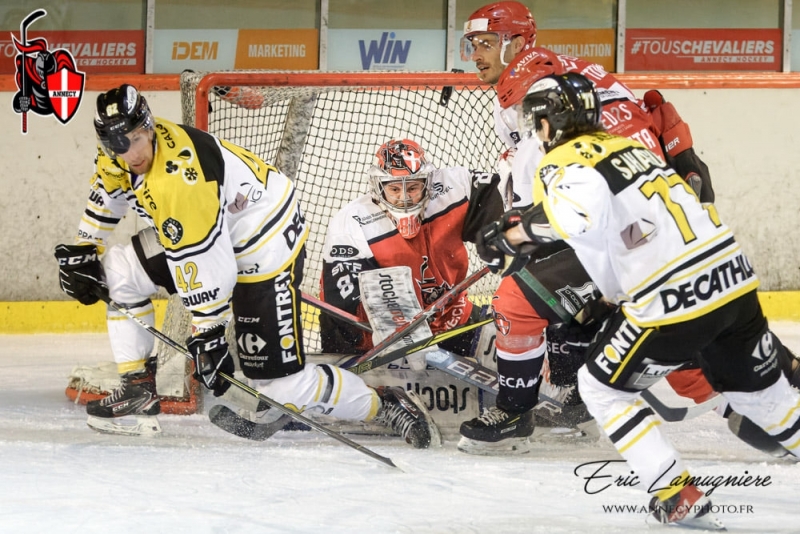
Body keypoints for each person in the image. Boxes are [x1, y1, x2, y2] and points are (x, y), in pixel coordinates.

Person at [484, 71, 800, 529]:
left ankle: (675, 494)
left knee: (599, 388)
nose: (536, 131)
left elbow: (578, 218)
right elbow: (633, 225)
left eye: (537, 123)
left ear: (549, 124)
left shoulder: (562, 160)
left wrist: (515, 233)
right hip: (732, 280)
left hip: (675, 297)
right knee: (765, 400)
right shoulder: (630, 145)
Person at [54, 84, 441, 448]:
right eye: (118, 143)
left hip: (263, 242)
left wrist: (208, 333)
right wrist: (84, 248)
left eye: (136, 138)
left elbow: (210, 267)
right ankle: (137, 387)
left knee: (278, 385)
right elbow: (109, 190)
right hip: (214, 230)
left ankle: (384, 404)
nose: (130, 152)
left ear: (149, 127)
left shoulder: (182, 180)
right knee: (116, 274)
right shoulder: (118, 152)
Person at [456, 1, 715, 455]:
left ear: (517, 43)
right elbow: (653, 109)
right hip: (651, 220)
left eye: (485, 43)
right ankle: (580, 394)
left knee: (521, 299)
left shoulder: (539, 94)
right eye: (472, 44)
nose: (476, 54)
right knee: (617, 316)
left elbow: (569, 191)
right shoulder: (571, 75)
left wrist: (516, 233)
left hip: (626, 229)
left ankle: (518, 408)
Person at [320, 139, 503, 358]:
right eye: (395, 189)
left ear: (427, 182)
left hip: (453, 316)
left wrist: (508, 236)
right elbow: (340, 308)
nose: (404, 198)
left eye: (413, 187)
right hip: (388, 338)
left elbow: (502, 195)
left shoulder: (452, 188)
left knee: (510, 342)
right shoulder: (353, 222)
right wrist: (369, 345)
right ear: (379, 188)